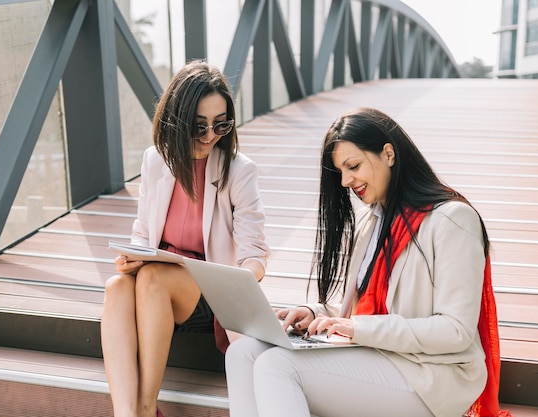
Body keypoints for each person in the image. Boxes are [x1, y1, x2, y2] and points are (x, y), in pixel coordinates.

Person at [225, 107, 511, 417]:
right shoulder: (370, 221)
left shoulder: (452, 220)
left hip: (430, 375)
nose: (346, 181)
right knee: (243, 352)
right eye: (341, 172)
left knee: (276, 365)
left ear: (388, 154)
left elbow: (455, 330)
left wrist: (355, 328)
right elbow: (363, 309)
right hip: (375, 356)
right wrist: (314, 314)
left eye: (353, 166)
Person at [100, 60, 270, 417]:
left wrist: (242, 275)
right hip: (157, 282)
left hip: (210, 294)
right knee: (117, 286)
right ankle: (126, 414)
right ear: (175, 121)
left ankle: (147, 408)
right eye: (199, 126)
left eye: (221, 124)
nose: (210, 136)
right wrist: (131, 256)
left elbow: (255, 254)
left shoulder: (239, 171)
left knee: (152, 277)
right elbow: (143, 233)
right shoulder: (155, 161)